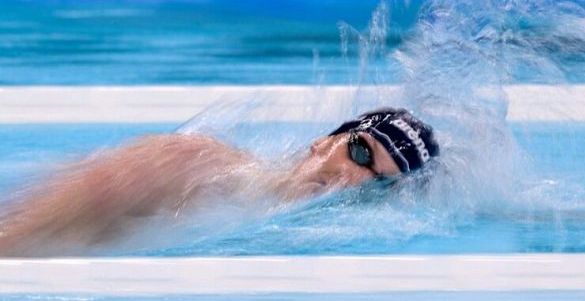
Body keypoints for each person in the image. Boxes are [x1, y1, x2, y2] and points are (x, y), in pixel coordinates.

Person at [0, 107, 439, 256]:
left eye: (378, 182)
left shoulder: (297, 245)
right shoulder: (189, 166)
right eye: (360, 151)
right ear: (323, 141)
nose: (352, 180)